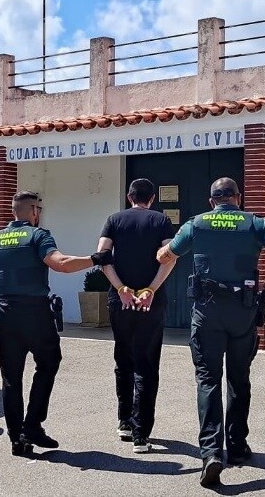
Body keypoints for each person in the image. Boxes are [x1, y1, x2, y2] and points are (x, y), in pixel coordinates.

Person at [156, 177, 265, 488]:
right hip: (243, 311)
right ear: (239, 198)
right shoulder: (255, 223)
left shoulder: (197, 224)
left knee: (207, 379)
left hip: (207, 312)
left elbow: (167, 256)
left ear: (212, 201)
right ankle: (236, 447)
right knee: (238, 378)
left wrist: (162, 251)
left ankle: (210, 454)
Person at [0, 191, 104, 456]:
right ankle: (32, 425)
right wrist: (95, 259)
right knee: (48, 363)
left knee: (11, 379)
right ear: (34, 211)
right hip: (35, 313)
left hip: (5, 312)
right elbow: (60, 264)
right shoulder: (38, 236)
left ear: (14, 212)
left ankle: (17, 439)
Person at [95, 178, 177, 454]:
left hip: (121, 301)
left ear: (129, 197)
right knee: (147, 364)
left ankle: (124, 422)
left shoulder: (114, 220)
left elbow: (102, 256)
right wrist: (151, 290)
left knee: (123, 359)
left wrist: (121, 289)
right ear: (152, 198)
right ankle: (141, 435)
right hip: (150, 303)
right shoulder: (161, 221)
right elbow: (171, 257)